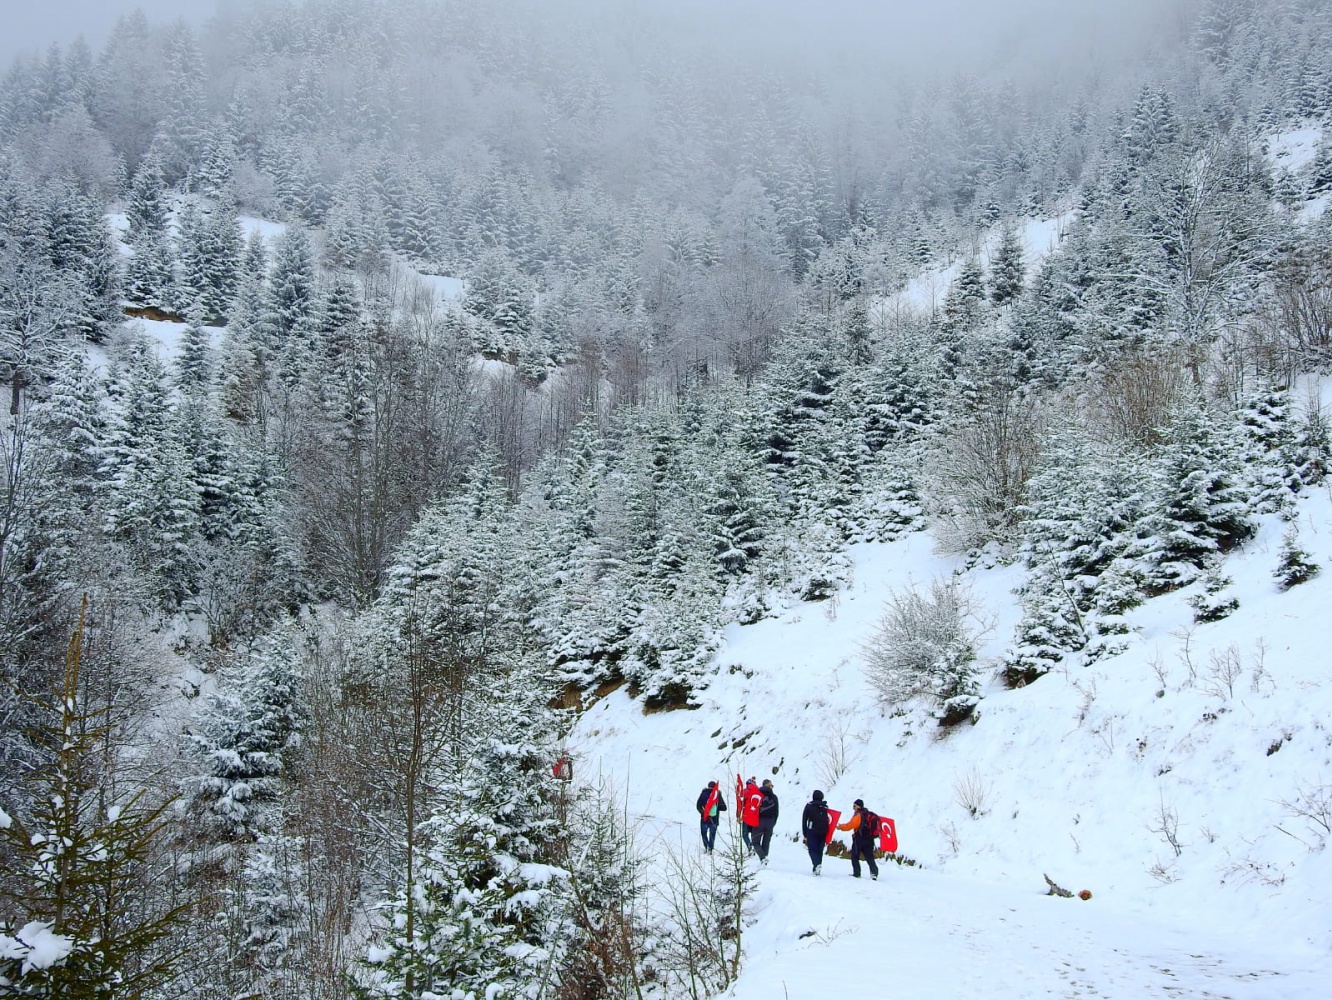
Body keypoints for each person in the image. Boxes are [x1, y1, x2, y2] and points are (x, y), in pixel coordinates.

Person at [836, 798, 880, 880]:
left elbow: (850, 825)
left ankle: (857, 873)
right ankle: (874, 873)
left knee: (854, 856)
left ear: (858, 806)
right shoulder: (869, 814)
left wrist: (840, 827)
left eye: (854, 805)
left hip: (859, 839)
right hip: (870, 840)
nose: (853, 807)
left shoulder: (858, 815)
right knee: (869, 857)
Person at [801, 789, 831, 875]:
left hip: (812, 830)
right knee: (819, 849)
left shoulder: (809, 806)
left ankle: (816, 864)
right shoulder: (825, 807)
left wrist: (805, 833)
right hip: (824, 831)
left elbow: (804, 820)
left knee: (812, 849)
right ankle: (817, 868)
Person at [696, 780, 727, 853]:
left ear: (708, 786)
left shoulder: (703, 794)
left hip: (704, 818)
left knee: (704, 834)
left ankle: (706, 846)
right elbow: (724, 808)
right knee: (712, 835)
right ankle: (710, 848)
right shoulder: (717, 795)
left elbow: (698, 805)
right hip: (714, 819)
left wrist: (703, 812)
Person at [754, 779, 779, 864]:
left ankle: (763, 857)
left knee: (755, 841)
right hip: (770, 821)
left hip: (759, 821)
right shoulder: (774, 797)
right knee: (766, 840)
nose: (772, 787)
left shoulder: (757, 795)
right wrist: (773, 822)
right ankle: (764, 857)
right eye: (771, 785)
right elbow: (776, 811)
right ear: (767, 786)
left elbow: (753, 809)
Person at [740, 777, 763, 852]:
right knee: (754, 833)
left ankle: (750, 846)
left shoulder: (744, 791)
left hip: (746, 815)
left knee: (744, 833)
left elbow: (740, 803)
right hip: (756, 816)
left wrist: (739, 814)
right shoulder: (759, 792)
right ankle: (756, 846)